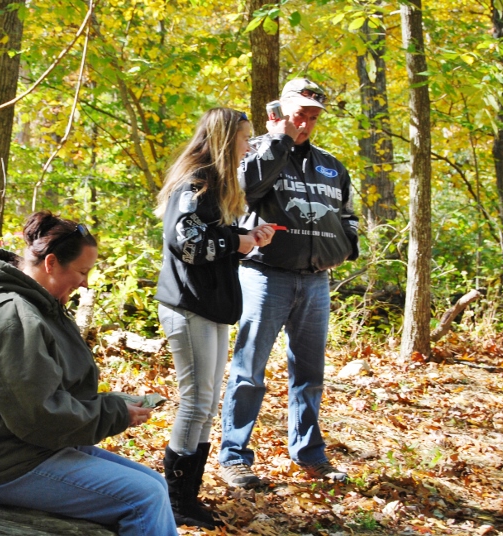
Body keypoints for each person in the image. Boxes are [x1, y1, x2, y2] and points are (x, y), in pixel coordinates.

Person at [0, 211, 176, 536]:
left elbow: (49, 394)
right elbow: (40, 415)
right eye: (81, 271)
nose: (86, 282)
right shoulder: (12, 317)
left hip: (28, 448)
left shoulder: (39, 308)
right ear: (50, 263)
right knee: (142, 498)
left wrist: (115, 403)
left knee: (155, 483)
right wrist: (114, 412)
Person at [218, 78, 360, 488]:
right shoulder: (256, 151)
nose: (307, 124)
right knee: (249, 370)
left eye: (314, 117)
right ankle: (234, 457)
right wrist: (280, 139)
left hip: (316, 282)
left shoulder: (331, 164)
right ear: (281, 111)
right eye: (301, 115)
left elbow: (347, 212)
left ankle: (310, 454)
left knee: (310, 373)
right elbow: (246, 191)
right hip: (265, 275)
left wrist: (347, 245)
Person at [154, 108, 276, 528]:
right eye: (244, 138)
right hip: (188, 307)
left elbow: (215, 243)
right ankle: (175, 501)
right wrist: (235, 239)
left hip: (212, 305)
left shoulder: (219, 187)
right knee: (196, 403)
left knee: (206, 406)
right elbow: (185, 243)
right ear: (226, 139)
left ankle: (189, 496)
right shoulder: (197, 181)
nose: (249, 146)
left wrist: (248, 240)